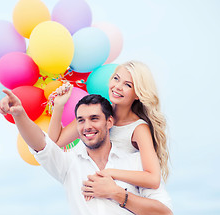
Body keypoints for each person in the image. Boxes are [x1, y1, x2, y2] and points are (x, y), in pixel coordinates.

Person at [0, 92, 173, 215]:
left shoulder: (135, 162)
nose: (87, 126)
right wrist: (19, 114)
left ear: (109, 122)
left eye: (94, 118)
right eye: (81, 120)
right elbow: (41, 144)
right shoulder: (69, 164)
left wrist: (117, 193)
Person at [48, 60, 169, 191]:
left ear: (138, 94)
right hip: (91, 192)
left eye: (128, 85)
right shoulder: (97, 113)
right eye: (116, 78)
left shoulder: (138, 129)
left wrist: (109, 172)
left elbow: (153, 179)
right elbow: (55, 142)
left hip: (119, 199)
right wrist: (59, 105)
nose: (117, 87)